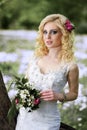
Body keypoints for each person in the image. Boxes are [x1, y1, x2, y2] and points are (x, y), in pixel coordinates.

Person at [15, 14, 79, 130]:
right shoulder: (35, 59)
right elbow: (25, 86)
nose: (48, 36)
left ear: (64, 34)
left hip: (48, 121)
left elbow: (74, 93)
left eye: (53, 32)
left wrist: (59, 95)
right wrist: (22, 97)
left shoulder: (70, 66)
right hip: (25, 118)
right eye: (45, 32)